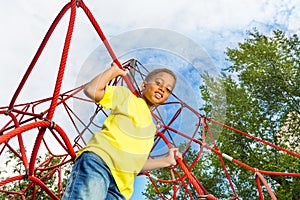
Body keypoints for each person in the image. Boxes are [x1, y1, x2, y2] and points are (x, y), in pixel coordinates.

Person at [63, 62, 182, 200]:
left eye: (168, 89)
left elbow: (137, 164)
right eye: (158, 83)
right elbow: (91, 90)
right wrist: (113, 71)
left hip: (121, 187)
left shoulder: (150, 129)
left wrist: (166, 161)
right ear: (144, 85)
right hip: (100, 162)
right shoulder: (126, 97)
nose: (162, 89)